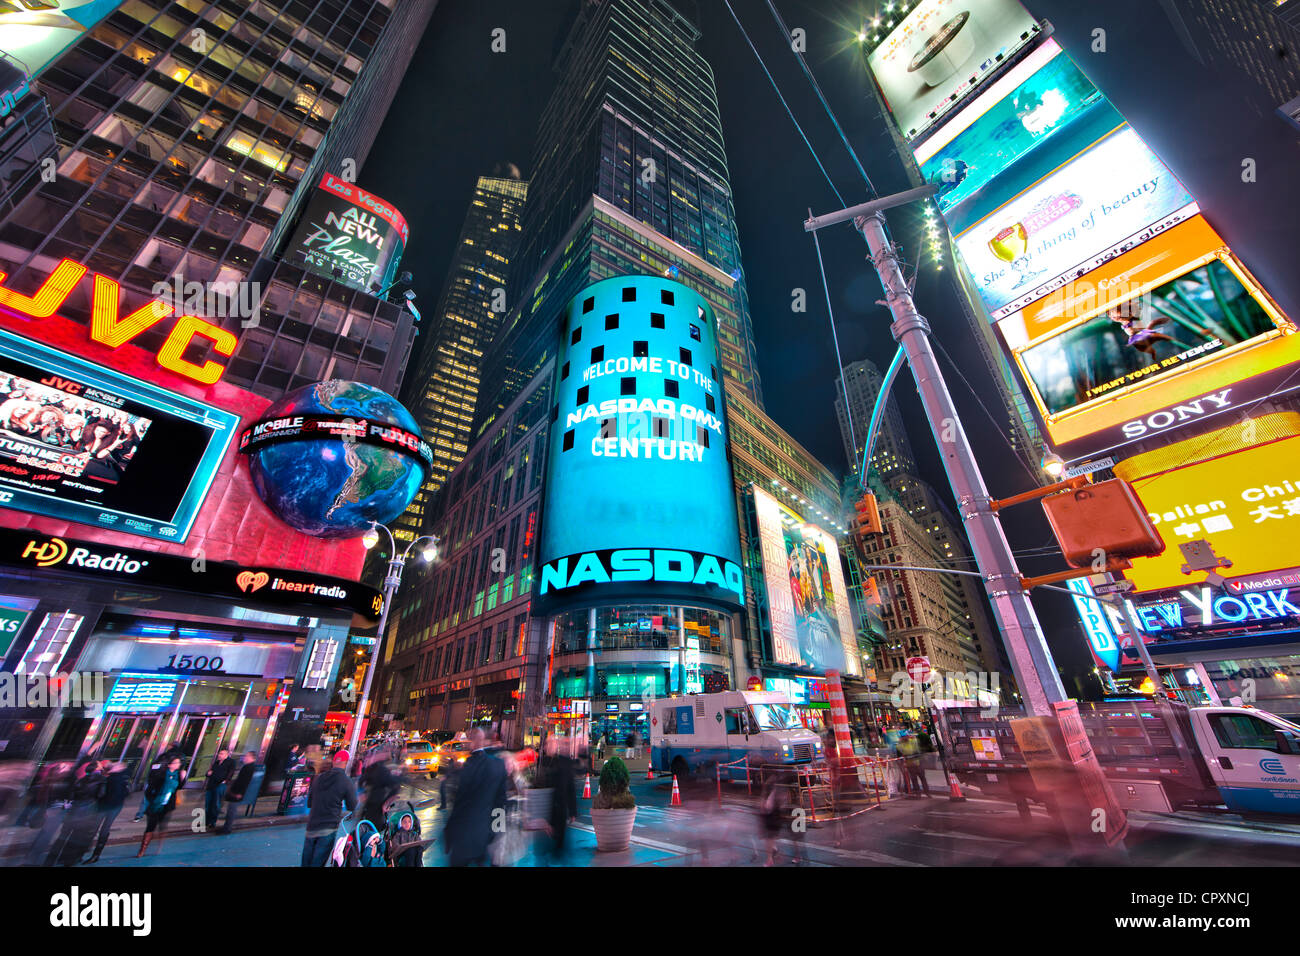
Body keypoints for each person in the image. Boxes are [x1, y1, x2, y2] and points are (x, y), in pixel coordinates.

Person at [442, 727, 508, 867]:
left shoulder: (463, 768)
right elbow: (501, 802)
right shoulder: (498, 766)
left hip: (462, 837)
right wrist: (497, 831)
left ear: (471, 742)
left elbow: (457, 805)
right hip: (484, 835)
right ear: (483, 741)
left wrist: (448, 833)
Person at [301, 750, 356, 867]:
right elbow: (352, 805)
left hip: (312, 825)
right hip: (328, 827)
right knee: (318, 861)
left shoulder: (319, 778)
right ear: (346, 763)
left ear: (334, 761)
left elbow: (310, 803)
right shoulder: (346, 781)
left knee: (306, 861)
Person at [51, 759, 105, 865]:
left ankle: (55, 858)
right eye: (99, 764)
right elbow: (101, 794)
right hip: (88, 810)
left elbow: (73, 794)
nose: (101, 765)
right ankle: (69, 860)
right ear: (96, 768)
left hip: (75, 809)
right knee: (78, 836)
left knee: (64, 835)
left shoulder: (82, 779)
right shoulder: (102, 779)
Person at [539, 736, 578, 865]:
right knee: (546, 849)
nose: (548, 747)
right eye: (547, 744)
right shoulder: (542, 762)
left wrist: (573, 811)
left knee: (557, 847)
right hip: (543, 811)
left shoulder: (563, 763)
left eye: (551, 744)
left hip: (558, 811)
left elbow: (570, 787)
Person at [137, 756, 186, 857]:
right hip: (156, 803)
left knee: (162, 825)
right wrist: (152, 799)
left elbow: (179, 787)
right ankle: (142, 849)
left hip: (168, 804)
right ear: (169, 764)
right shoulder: (161, 774)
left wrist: (183, 777)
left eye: (179, 763)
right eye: (176, 763)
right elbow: (151, 788)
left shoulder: (178, 775)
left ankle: (159, 846)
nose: (178, 765)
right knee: (150, 826)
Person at [84, 760, 129, 863]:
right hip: (115, 807)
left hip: (105, 806)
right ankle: (96, 854)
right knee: (105, 828)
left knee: (95, 827)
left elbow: (100, 794)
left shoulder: (108, 779)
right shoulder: (123, 778)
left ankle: (86, 849)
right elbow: (126, 793)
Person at [217, 752, 257, 835]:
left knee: (232, 810)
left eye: (247, 756)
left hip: (237, 792)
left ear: (252, 758)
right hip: (237, 791)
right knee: (231, 809)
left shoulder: (249, 768)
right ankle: (226, 827)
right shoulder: (249, 767)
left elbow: (244, 782)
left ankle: (227, 828)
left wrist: (239, 793)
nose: (245, 758)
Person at [359, 753, 400, 831]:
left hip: (378, 807)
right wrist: (362, 793)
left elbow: (395, 787)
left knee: (374, 829)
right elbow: (361, 781)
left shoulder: (382, 771)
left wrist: (387, 803)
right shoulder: (369, 769)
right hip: (368, 806)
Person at [203, 747, 235, 831]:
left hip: (220, 784)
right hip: (211, 784)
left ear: (227, 755)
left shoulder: (230, 762)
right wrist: (208, 773)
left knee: (216, 804)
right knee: (208, 803)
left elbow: (231, 772)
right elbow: (209, 772)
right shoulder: (216, 763)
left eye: (222, 754)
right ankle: (206, 820)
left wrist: (225, 781)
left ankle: (212, 822)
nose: (219, 755)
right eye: (219, 753)